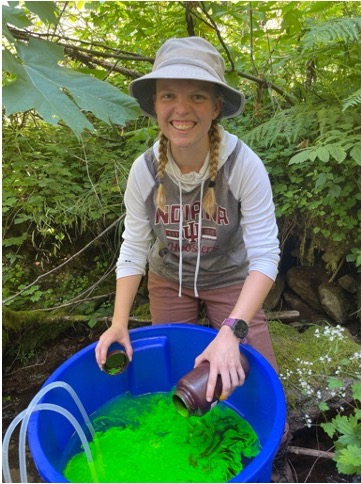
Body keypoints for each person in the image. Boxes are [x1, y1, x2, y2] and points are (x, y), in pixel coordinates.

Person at [95, 37, 293, 482]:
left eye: (196, 95)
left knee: (256, 374)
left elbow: (265, 254)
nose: (181, 109)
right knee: (178, 377)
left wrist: (232, 331)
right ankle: (188, 454)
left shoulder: (243, 165)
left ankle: (270, 455)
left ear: (217, 105)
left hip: (231, 280)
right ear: (155, 103)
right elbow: (132, 248)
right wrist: (120, 321)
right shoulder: (145, 171)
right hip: (169, 280)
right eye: (169, 95)